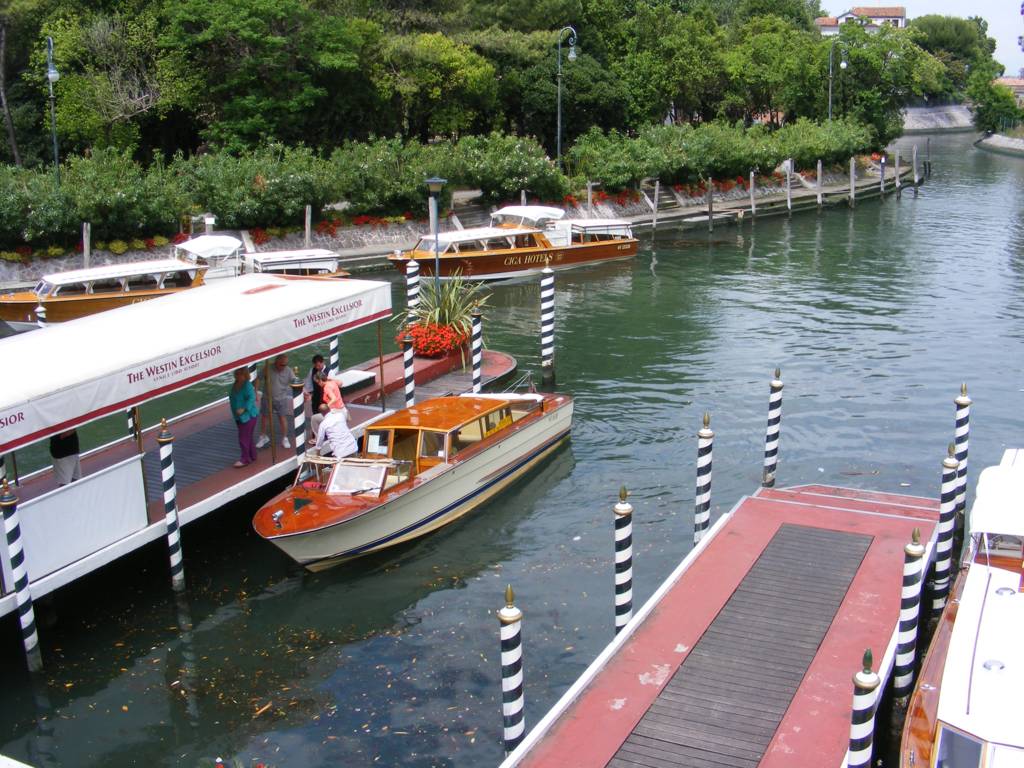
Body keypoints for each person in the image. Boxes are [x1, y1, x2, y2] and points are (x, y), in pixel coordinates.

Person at [256, 354, 295, 449]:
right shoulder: (267, 368)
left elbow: (295, 381)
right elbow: (258, 378)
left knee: (282, 417)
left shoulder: (288, 371)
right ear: (276, 362)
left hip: (281, 398)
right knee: (264, 417)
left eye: (285, 364)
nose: (283, 366)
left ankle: (284, 438)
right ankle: (263, 436)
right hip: (267, 397)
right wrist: (255, 391)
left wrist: (304, 391)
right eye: (282, 364)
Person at [229, 367, 259, 467]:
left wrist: (244, 408)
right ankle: (252, 455)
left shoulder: (247, 385)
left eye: (240, 374)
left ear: (245, 374)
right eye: (236, 373)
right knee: (248, 436)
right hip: (238, 417)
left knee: (243, 438)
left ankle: (245, 459)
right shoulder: (235, 384)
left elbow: (252, 397)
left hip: (248, 416)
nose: (238, 375)